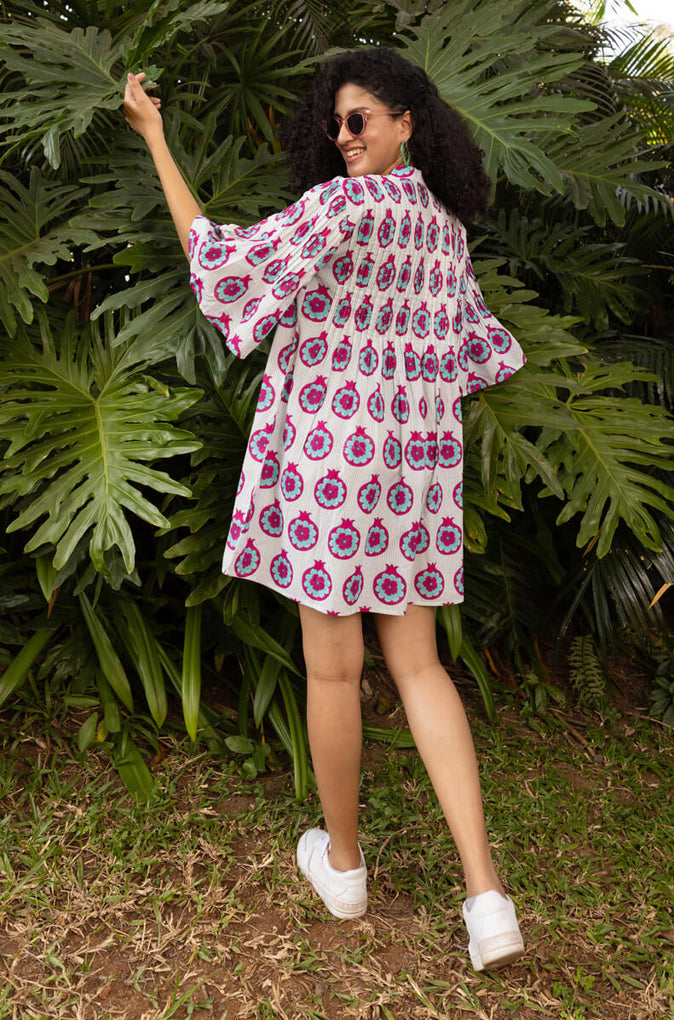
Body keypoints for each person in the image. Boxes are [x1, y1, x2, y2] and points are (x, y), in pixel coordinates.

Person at [123, 46, 527, 972]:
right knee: (419, 666)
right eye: (335, 122)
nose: (342, 136)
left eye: (359, 119)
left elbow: (220, 264)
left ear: (405, 123)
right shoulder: (444, 229)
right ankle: (486, 898)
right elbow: (478, 354)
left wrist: (156, 139)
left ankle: (344, 867)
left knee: (335, 672)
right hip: (415, 472)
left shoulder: (342, 208)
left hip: (331, 466)